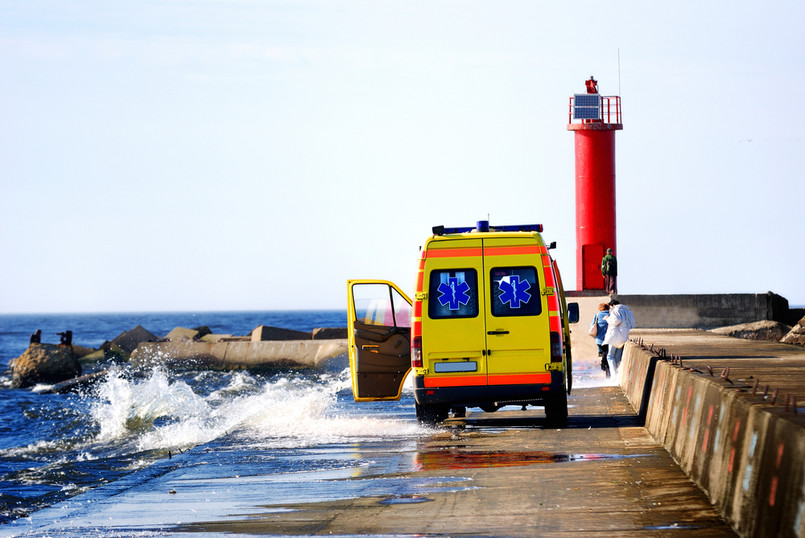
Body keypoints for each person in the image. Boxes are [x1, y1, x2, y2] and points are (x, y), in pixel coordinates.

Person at [603, 300, 635, 376]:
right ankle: (618, 374)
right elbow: (632, 324)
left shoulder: (615, 310)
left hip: (615, 336)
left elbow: (616, 321)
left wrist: (607, 318)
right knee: (618, 357)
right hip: (624, 336)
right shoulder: (629, 312)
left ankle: (614, 376)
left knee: (610, 356)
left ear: (613, 305)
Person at [589, 303, 611, 378]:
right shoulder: (610, 314)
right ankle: (605, 368)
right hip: (609, 339)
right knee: (608, 355)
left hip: (599, 340)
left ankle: (602, 360)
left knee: (604, 353)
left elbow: (592, 325)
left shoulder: (597, 315)